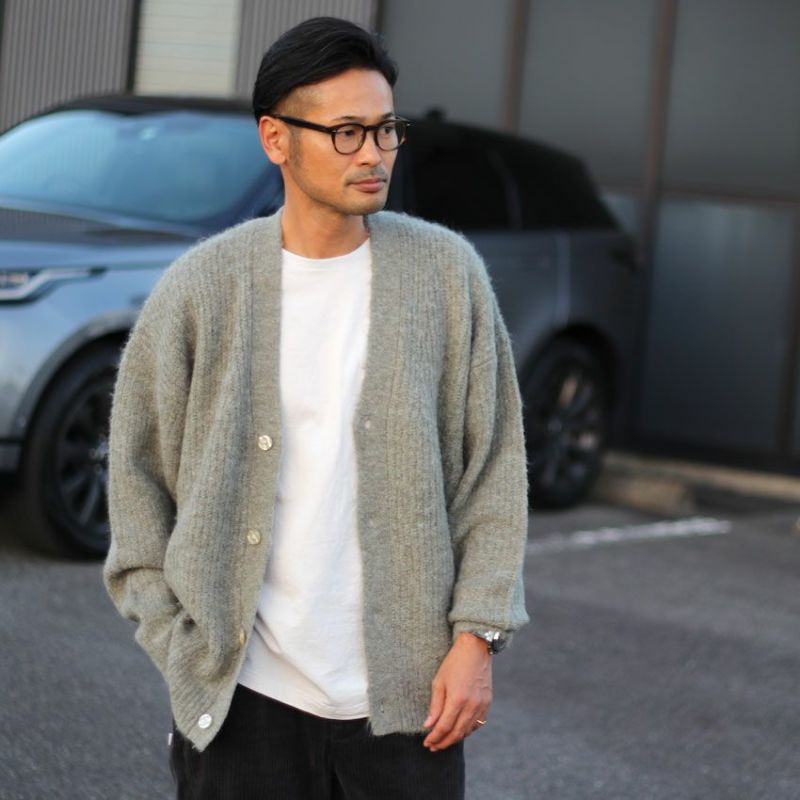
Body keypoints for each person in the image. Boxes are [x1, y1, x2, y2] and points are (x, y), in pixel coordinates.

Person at [103, 15, 529, 800]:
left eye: (386, 129)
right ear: (276, 138)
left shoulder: (446, 276)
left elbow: (493, 470)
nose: (373, 154)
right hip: (243, 702)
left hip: (409, 706)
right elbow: (137, 484)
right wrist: (180, 647)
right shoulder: (202, 290)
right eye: (345, 133)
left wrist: (478, 638)